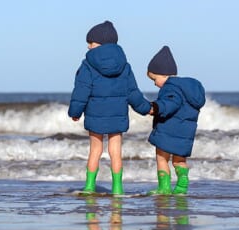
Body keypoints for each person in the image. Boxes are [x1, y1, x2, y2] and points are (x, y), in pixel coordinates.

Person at [68, 21, 151, 195]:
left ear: (99, 44)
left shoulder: (87, 65)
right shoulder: (124, 65)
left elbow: (82, 90)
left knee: (95, 150)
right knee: (115, 151)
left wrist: (75, 111)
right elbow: (133, 92)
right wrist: (146, 108)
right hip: (117, 114)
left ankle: (90, 186)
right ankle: (117, 188)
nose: (89, 46)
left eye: (91, 42)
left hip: (95, 114)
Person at [147, 46, 206, 195]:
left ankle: (164, 188)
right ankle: (182, 186)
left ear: (163, 74)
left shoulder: (170, 88)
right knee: (179, 161)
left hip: (168, 130)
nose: (155, 83)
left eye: (155, 79)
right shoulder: (187, 90)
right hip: (185, 134)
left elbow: (171, 103)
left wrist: (156, 107)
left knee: (161, 158)